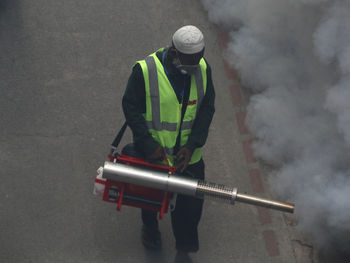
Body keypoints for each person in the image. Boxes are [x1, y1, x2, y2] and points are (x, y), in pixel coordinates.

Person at [122, 25, 215, 254]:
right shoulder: (144, 71)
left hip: (188, 155)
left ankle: (184, 248)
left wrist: (192, 145)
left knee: (191, 205)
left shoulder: (202, 68)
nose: (195, 67)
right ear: (174, 54)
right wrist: (147, 144)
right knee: (150, 197)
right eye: (190, 62)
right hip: (155, 153)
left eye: (198, 60)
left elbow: (207, 109)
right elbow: (130, 106)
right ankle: (150, 227)